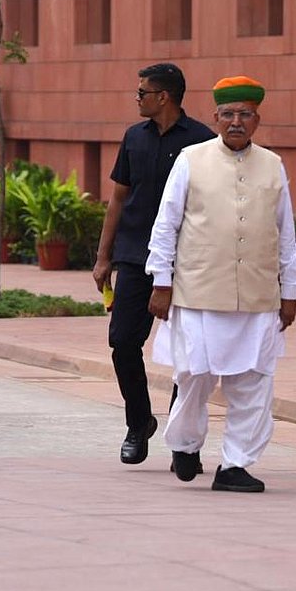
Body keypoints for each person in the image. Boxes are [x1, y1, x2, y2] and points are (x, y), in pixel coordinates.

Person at [146, 76, 296, 493]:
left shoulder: (273, 164)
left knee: (254, 384)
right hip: (199, 292)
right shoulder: (191, 159)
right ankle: (185, 444)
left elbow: (285, 233)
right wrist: (161, 281)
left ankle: (235, 465)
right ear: (215, 117)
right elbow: (166, 225)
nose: (236, 122)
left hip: (257, 297)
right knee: (194, 377)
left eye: (245, 114)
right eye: (229, 114)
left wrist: (290, 291)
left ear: (257, 120)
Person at [92, 63, 215, 466]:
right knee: (122, 341)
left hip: (188, 263)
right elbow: (118, 198)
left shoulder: (203, 141)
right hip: (135, 257)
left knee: (188, 353)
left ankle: (182, 440)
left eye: (142, 92)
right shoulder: (133, 137)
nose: (137, 98)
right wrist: (103, 257)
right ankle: (139, 422)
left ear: (163, 97)